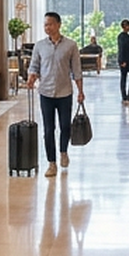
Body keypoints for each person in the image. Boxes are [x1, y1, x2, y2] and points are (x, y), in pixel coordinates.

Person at [25, 11, 84, 177]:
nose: (47, 27)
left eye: (50, 24)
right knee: (48, 129)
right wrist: (31, 79)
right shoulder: (39, 46)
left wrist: (80, 91)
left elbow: (77, 71)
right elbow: (34, 66)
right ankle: (52, 163)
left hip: (65, 93)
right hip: (45, 93)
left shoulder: (71, 45)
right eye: (45, 25)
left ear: (59, 24)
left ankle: (63, 151)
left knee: (65, 127)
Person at [117, 19, 129, 103]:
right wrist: (122, 61)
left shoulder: (127, 36)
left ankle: (128, 96)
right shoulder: (123, 37)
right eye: (127, 26)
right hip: (126, 61)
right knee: (124, 78)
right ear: (123, 27)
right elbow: (122, 49)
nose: (128, 27)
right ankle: (125, 96)